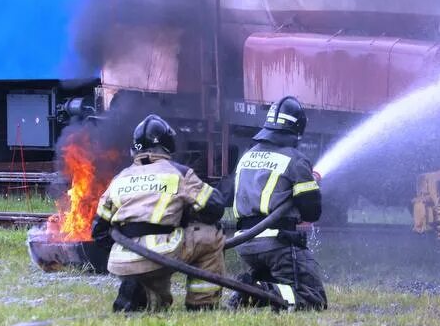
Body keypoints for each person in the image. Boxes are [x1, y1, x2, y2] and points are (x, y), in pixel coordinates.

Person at [90, 114, 226, 313]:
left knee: (156, 305)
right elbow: (215, 208)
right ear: (168, 146)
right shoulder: (178, 172)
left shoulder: (120, 178)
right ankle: (202, 303)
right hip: (162, 253)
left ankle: (139, 290)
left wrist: (131, 248)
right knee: (210, 235)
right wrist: (187, 216)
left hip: (122, 261)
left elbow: (99, 231)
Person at [227, 95, 327, 311]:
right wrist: (312, 186)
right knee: (313, 298)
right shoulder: (295, 159)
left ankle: (253, 288)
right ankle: (260, 293)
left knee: (283, 283)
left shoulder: (247, 156)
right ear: (298, 129)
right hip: (277, 244)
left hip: (245, 244)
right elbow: (311, 212)